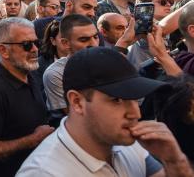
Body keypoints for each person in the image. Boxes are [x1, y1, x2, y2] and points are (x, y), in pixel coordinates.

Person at [17, 47, 193, 177]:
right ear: (77, 102)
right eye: (116, 100)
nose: (135, 114)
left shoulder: (124, 141)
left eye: (133, 98)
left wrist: (175, 160)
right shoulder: (44, 172)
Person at [0, 17, 52, 177]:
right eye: (26, 45)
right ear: (3, 50)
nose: (34, 49)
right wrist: (33, 139)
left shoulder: (31, 75)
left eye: (36, 43)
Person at [42, 14, 100, 120]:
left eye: (96, 37)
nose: (94, 43)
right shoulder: (56, 73)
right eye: (84, 39)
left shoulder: (106, 62)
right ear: (65, 43)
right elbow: (75, 115)